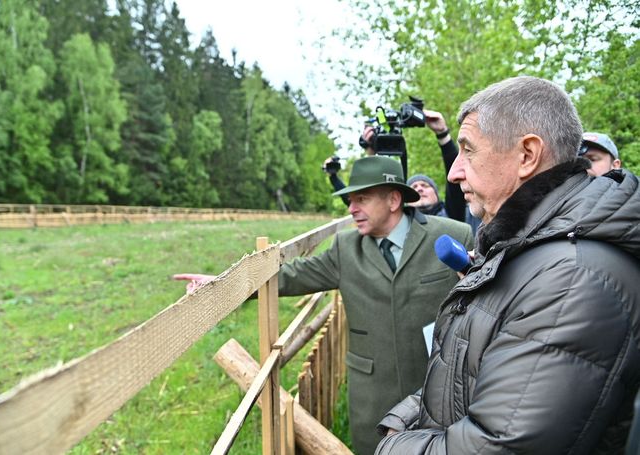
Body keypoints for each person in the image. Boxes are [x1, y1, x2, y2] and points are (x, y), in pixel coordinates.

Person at [375, 76, 640, 454]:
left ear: (528, 155)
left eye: (468, 151)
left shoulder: (571, 277)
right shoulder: (524, 246)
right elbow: (461, 375)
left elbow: (501, 446)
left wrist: (392, 447)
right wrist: (400, 423)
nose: (453, 173)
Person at [183, 155, 474, 454]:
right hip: (373, 394)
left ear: (394, 199)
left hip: (435, 387)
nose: (351, 209)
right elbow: (290, 277)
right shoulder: (344, 249)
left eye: (361, 198)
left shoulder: (452, 237)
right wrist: (221, 283)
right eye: (349, 200)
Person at [326, 110, 481, 233]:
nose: (419, 188)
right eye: (414, 187)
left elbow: (454, 181)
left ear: (437, 195)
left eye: (425, 186)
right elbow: (362, 200)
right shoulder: (399, 221)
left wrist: (442, 134)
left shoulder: (454, 215)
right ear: (398, 200)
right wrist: (370, 153)